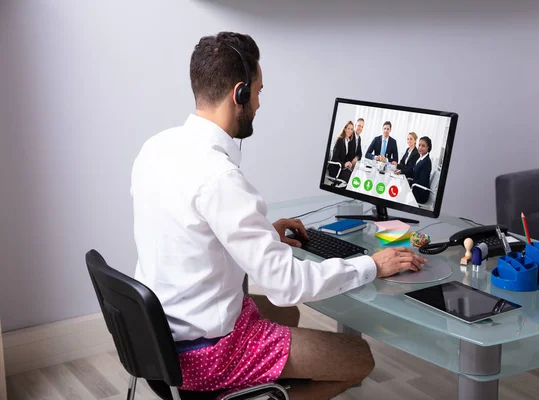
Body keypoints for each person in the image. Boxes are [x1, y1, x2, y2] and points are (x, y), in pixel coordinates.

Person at [130, 32, 427, 400]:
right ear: (239, 94)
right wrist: (373, 265)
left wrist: (264, 233)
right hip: (205, 353)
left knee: (289, 318)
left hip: (159, 336)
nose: (258, 102)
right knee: (358, 358)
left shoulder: (156, 147)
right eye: (258, 91)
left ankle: (266, 381)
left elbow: (187, 234)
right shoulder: (220, 178)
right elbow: (286, 286)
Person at [407, 136, 433, 204]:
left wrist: (410, 182)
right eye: (419, 145)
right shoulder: (421, 158)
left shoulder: (427, 162)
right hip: (416, 187)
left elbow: (422, 181)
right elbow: (413, 171)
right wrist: (401, 171)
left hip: (420, 194)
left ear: (428, 147)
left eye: (423, 146)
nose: (420, 148)